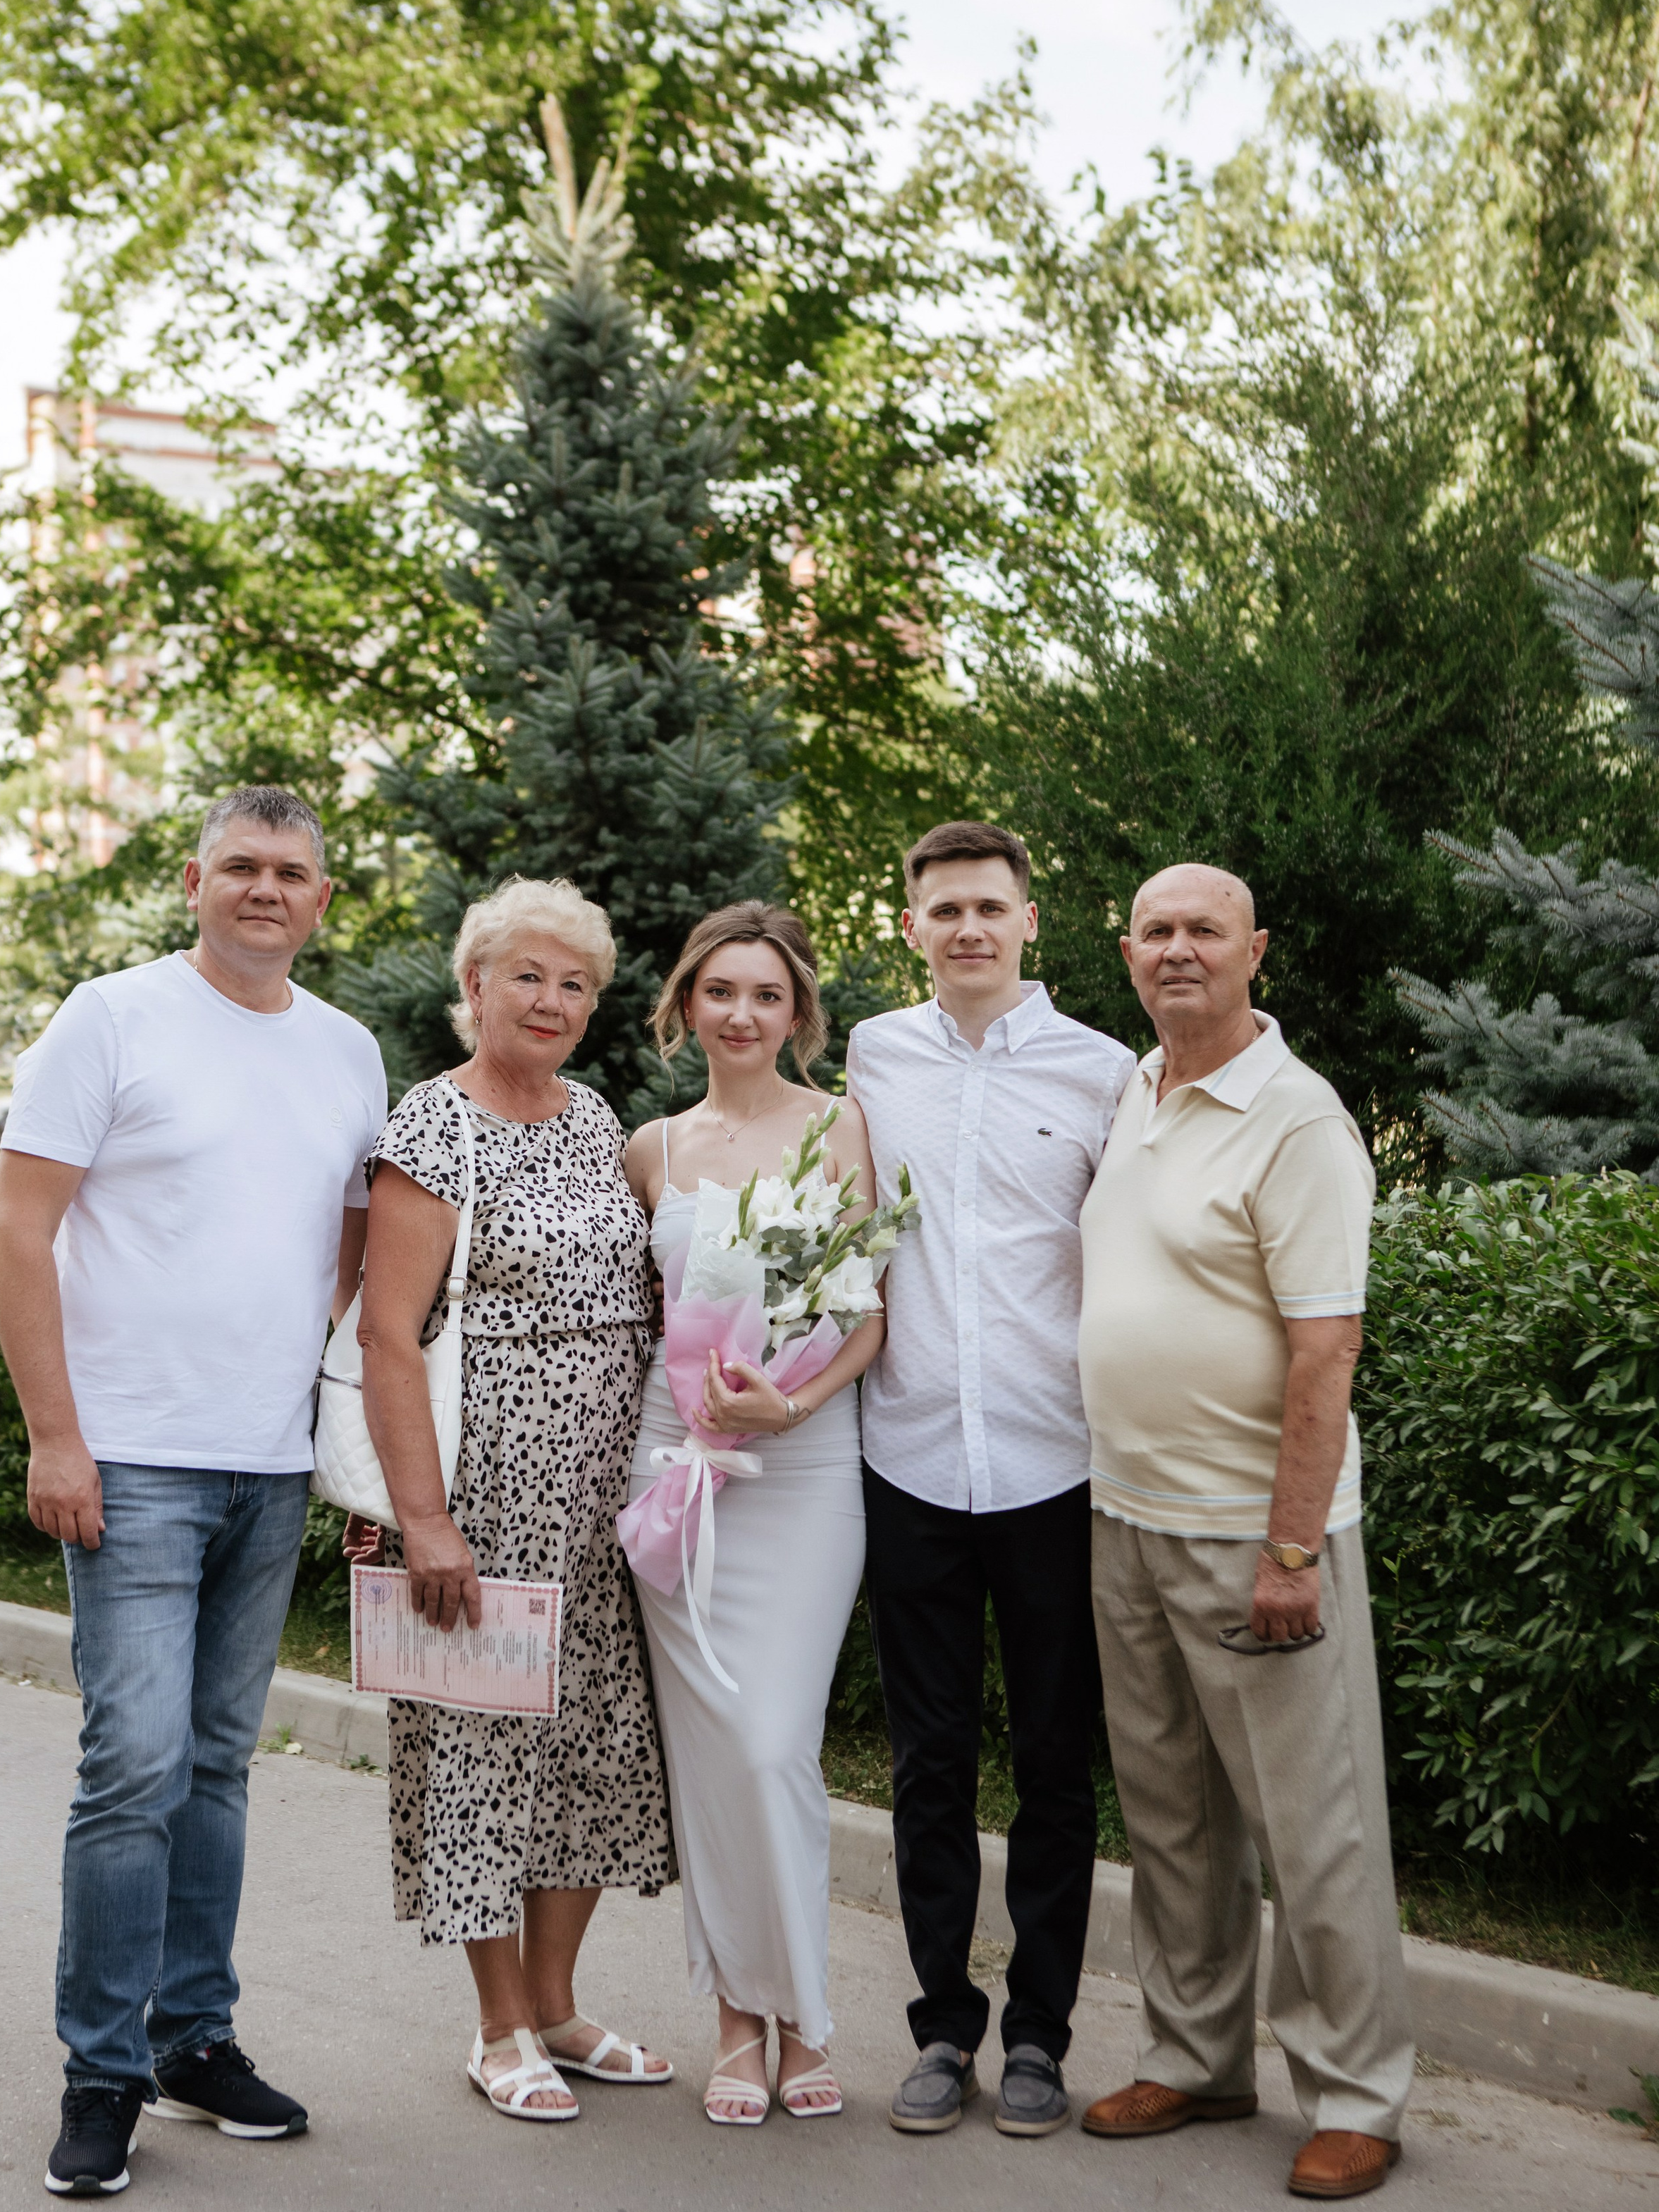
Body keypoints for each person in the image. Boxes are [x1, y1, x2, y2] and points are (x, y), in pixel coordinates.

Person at [0, 786, 390, 2200]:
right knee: (135, 1766)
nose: (264, 890)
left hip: (267, 1465)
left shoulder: (348, 1051)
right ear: (193, 880)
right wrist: (56, 1434)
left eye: (290, 872)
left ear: (322, 899)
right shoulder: (113, 1016)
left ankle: (192, 2041)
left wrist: (318, 1424)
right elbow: (17, 1228)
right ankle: (100, 2074)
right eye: (239, 867)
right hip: (132, 1460)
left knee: (218, 1768)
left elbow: (348, 1249)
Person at [1075, 863, 1414, 2200]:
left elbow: (1326, 1351)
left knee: (1312, 1826)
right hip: (1128, 1517)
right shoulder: (1136, 1094)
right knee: (1173, 1819)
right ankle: (1197, 2055)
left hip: (1252, 1534)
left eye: (1203, 931)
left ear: (1254, 951)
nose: (1177, 951)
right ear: (1126, 952)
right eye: (1155, 931)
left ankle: (1357, 2091)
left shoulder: (1298, 1120)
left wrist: (1290, 1551)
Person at [357, 875, 674, 2123]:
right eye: (526, 975)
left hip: (608, 1505)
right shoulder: (433, 1129)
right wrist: (423, 1517)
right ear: (474, 984)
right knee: (486, 1744)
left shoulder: (595, 1118)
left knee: (593, 1746)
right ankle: (495, 2029)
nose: (550, 999)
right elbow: (389, 1337)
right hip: (487, 1492)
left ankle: (557, 2006)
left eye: (575, 983)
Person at [846, 822, 1135, 2138]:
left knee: (1057, 1764)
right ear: (913, 927)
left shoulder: (1105, 1073)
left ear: (1031, 920)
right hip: (906, 1458)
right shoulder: (874, 1055)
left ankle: (1040, 2035)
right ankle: (941, 2026)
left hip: (1053, 1464)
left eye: (989, 907)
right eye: (943, 908)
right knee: (930, 1763)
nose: (967, 927)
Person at [623, 905, 880, 2125]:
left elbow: (867, 1316)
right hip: (678, 1475)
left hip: (803, 1469)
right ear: (685, 1006)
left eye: (766, 996)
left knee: (778, 1741)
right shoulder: (652, 1150)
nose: (741, 1013)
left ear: (798, 1013)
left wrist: (793, 1399)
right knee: (713, 1754)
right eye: (719, 992)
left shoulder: (839, 1130)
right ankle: (737, 2017)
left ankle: (803, 2014)